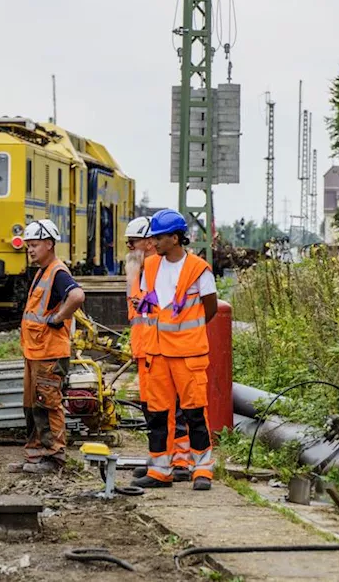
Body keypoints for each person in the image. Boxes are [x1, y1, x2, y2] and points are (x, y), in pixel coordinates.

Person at [134, 209, 218, 490]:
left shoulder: (198, 269)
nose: (153, 242)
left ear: (175, 238)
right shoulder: (150, 267)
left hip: (188, 354)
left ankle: (202, 469)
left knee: (194, 413)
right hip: (157, 353)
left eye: (158, 237)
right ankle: (160, 470)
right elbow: (149, 302)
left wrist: (187, 331)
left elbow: (211, 308)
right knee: (159, 414)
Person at [8, 218, 85, 474]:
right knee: (32, 406)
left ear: (50, 245)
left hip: (50, 353)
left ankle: (54, 458)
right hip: (36, 352)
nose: (30, 250)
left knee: (48, 404)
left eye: (35, 245)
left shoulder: (57, 272)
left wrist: (58, 318)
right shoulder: (43, 271)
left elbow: (77, 296)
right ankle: (35, 456)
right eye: (28, 245)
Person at [125, 217, 193, 482]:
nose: (130, 248)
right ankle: (161, 459)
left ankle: (180, 462)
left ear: (149, 242)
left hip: (165, 350)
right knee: (152, 411)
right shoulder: (144, 271)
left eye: (133, 242)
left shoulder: (163, 273)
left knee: (173, 409)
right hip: (147, 351)